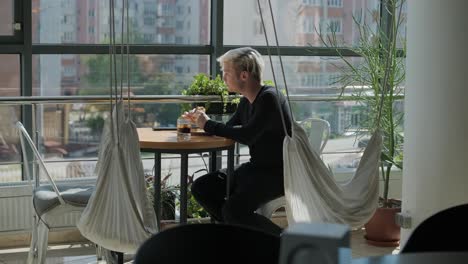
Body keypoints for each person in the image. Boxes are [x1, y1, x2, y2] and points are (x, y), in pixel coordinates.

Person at [184, 47, 292, 236]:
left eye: (226, 73)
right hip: (255, 169)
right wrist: (200, 123)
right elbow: (230, 129)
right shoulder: (246, 102)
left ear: (243, 75)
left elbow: (247, 135)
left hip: (277, 174)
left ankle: (283, 243)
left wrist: (208, 125)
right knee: (202, 188)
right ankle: (240, 235)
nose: (223, 78)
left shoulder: (270, 98)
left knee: (233, 210)